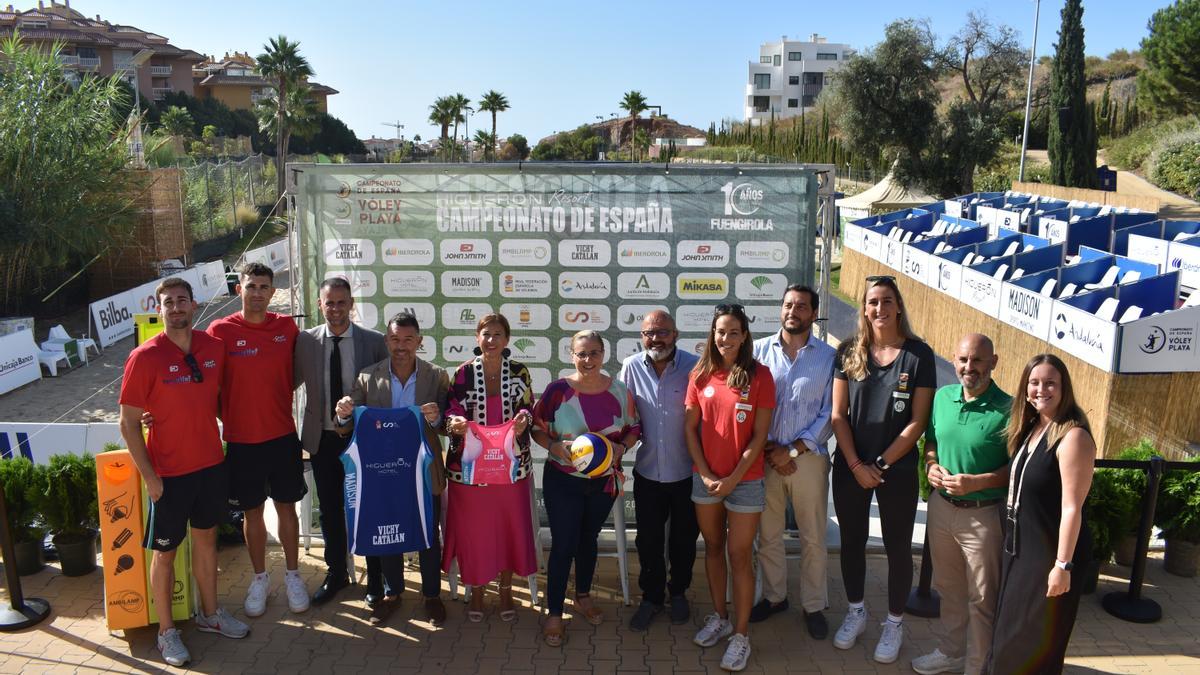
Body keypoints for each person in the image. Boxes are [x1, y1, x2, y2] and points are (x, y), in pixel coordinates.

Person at [119, 277, 249, 667]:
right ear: (158, 310)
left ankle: (210, 615)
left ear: (194, 306)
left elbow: (223, 396)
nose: (175, 308)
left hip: (210, 466)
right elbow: (127, 423)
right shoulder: (144, 356)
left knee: (207, 542)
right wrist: (150, 478)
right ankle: (166, 633)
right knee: (165, 554)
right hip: (169, 475)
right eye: (168, 302)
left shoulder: (213, 347)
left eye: (182, 301)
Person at [830, 275, 935, 664]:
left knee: (896, 547)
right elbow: (839, 416)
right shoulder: (848, 351)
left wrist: (880, 463)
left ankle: (893, 622)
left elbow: (917, 422)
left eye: (886, 301)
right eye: (872, 302)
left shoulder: (919, 355)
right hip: (851, 467)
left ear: (898, 306)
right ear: (864, 308)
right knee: (852, 542)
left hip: (896, 469)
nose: (879, 308)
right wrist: (857, 464)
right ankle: (856, 612)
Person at [334, 312, 450, 626]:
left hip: (423, 470)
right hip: (382, 470)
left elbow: (447, 426)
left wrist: (437, 418)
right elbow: (346, 425)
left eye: (408, 340)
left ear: (419, 342)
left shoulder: (436, 375)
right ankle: (393, 592)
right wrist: (344, 412)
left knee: (428, 532)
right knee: (387, 532)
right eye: (395, 339)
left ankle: (432, 595)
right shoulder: (367, 377)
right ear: (386, 340)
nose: (401, 346)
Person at [205, 262, 308, 617]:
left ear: (273, 292)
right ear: (239, 290)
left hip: (282, 435)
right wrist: (230, 414)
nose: (258, 293)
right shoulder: (220, 330)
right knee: (252, 512)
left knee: (286, 508)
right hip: (241, 441)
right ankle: (260, 577)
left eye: (264, 287)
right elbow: (206, 383)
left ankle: (293, 575)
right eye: (251, 287)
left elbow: (294, 374)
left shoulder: (286, 327)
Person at [985, 354, 1094, 675]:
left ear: (1064, 389)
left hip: (1048, 559)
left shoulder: (1073, 437)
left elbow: (1073, 507)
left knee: (1031, 647)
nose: (1040, 389)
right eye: (1034, 382)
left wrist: (1062, 566)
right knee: (1006, 639)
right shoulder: (1031, 428)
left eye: (1050, 383)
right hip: (1018, 552)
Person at [532, 330, 640, 647]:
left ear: (603, 355)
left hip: (603, 482)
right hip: (563, 480)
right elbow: (538, 430)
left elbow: (634, 428)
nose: (588, 360)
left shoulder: (620, 391)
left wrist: (622, 449)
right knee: (564, 543)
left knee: (588, 540)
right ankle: (554, 613)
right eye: (581, 354)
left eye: (593, 353)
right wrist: (554, 446)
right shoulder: (557, 391)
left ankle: (582, 596)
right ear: (571, 354)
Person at [914, 334, 1012, 675]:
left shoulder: (1010, 409)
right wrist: (931, 466)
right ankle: (951, 651)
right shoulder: (943, 397)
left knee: (982, 598)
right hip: (942, 509)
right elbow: (931, 443)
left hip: (983, 514)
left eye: (978, 361)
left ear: (993, 362)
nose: (970, 367)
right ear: (954, 361)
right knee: (949, 588)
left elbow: (1017, 468)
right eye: (963, 360)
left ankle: (977, 665)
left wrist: (979, 482)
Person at [686, 304, 775, 673]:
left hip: (746, 481)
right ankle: (719, 617)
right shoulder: (700, 375)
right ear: (713, 334)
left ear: (745, 336)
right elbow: (690, 430)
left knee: (740, 556)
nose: (726, 339)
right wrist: (706, 474)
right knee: (714, 549)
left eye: (733, 332)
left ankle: (741, 635)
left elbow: (760, 435)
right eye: (721, 332)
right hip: (706, 479)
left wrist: (736, 476)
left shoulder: (761, 376)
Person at [750, 285, 836, 639]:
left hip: (809, 460)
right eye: (788, 305)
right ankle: (774, 598)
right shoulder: (756, 352)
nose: (793, 311)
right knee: (767, 534)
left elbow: (832, 413)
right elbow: (748, 404)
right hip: (765, 458)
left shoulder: (830, 357)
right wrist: (772, 450)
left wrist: (795, 450)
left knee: (813, 536)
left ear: (813, 313)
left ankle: (814, 605)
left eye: (801, 306)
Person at [294, 277, 387, 606]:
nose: (335, 309)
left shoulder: (373, 342)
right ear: (320, 305)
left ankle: (375, 577)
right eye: (328, 303)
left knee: (368, 510)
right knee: (331, 511)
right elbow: (285, 383)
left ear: (351, 304)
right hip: (323, 440)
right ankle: (337, 573)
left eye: (341, 302)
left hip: (363, 441)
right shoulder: (305, 341)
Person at [442, 313, 538, 623]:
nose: (491, 340)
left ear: (507, 340)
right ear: (477, 337)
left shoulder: (520, 372)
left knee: (510, 529)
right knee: (475, 533)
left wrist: (524, 418)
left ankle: (507, 589)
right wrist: (453, 422)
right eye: (486, 334)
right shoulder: (462, 373)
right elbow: (451, 411)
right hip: (470, 470)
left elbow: (528, 406)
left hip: (510, 467)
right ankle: (479, 591)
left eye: (498, 334)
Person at [618, 310, 700, 631]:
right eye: (649, 333)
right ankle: (651, 597)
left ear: (676, 334)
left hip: (685, 474)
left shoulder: (695, 367)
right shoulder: (630, 368)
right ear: (642, 337)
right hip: (647, 473)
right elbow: (624, 416)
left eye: (663, 332)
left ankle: (678, 592)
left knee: (683, 540)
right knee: (648, 541)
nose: (656, 339)